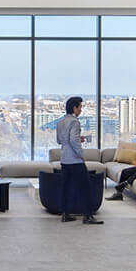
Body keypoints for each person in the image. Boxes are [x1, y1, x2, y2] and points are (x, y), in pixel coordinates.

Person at [55, 96, 103, 225]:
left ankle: (65, 214)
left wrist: (76, 139)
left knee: (65, 187)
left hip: (64, 158)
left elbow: (60, 140)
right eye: (80, 107)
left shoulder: (60, 122)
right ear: (74, 108)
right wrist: (80, 154)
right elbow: (73, 141)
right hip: (75, 160)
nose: (81, 110)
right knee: (85, 187)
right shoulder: (75, 122)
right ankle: (87, 216)